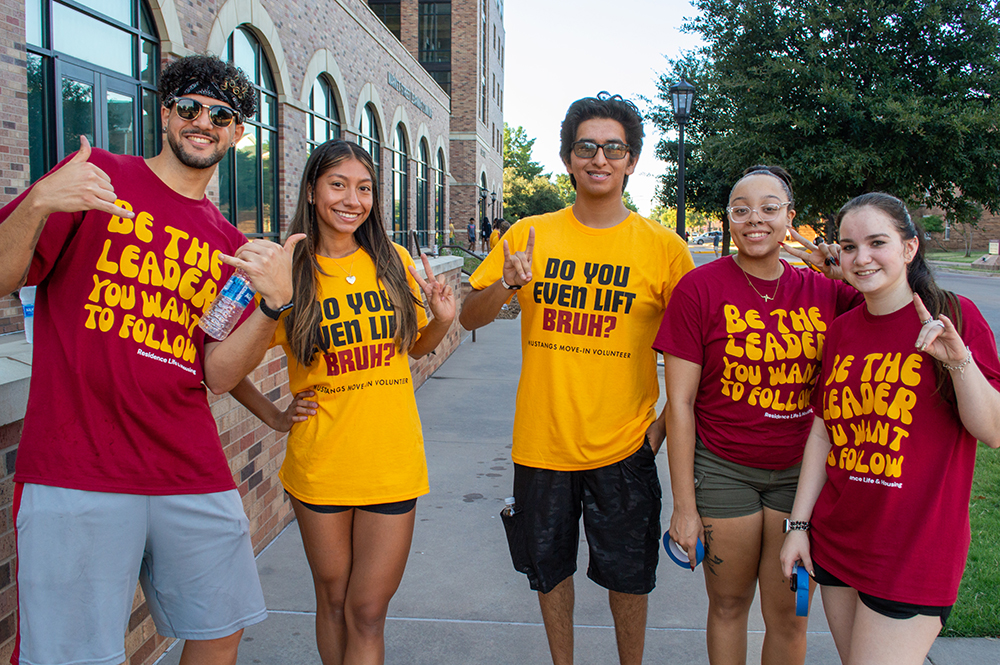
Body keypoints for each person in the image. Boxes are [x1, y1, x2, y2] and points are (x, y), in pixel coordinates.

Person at [0, 55, 303, 665]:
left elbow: (214, 370)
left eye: (222, 114)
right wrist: (37, 203)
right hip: (76, 462)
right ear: (166, 114)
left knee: (222, 625)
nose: (203, 122)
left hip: (187, 464)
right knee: (71, 656)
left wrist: (276, 304)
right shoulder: (97, 178)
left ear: (238, 133)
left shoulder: (227, 244)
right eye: (189, 107)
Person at [460, 92, 694, 665]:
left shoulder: (664, 249)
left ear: (632, 161)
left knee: (630, 578)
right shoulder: (528, 233)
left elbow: (703, 351)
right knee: (548, 572)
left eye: (614, 148)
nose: (599, 158)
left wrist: (659, 431)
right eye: (586, 146)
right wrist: (508, 285)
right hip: (543, 443)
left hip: (624, 446)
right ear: (568, 158)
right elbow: (468, 316)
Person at [230, 139, 456, 665]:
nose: (353, 199)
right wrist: (274, 415)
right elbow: (223, 363)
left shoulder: (394, 261)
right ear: (311, 191)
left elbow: (412, 347)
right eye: (338, 184)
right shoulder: (287, 271)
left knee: (368, 610)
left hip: (391, 460)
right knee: (332, 601)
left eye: (365, 187)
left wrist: (442, 321)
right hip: (321, 462)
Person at [780, 193, 1000, 665]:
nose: (861, 258)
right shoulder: (842, 330)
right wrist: (798, 526)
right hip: (839, 539)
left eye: (877, 242)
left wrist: (959, 362)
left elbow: (992, 430)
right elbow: (823, 432)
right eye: (848, 246)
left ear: (909, 248)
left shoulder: (954, 319)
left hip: (915, 548)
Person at [653, 165, 860, 665]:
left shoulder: (827, 293)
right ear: (728, 220)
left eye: (770, 208)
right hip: (724, 469)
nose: (755, 220)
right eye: (741, 210)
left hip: (802, 475)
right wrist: (683, 506)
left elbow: (900, 306)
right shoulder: (699, 289)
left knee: (790, 617)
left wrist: (843, 272)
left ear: (791, 218)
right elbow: (678, 403)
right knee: (727, 604)